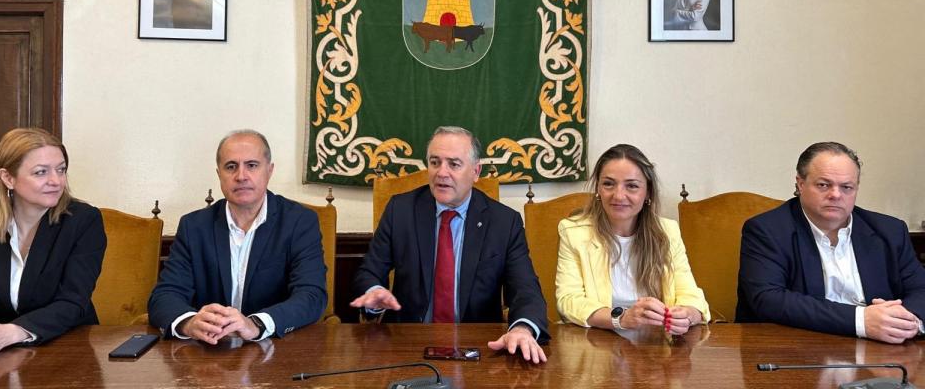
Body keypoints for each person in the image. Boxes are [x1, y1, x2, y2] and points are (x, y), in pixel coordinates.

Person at [350, 126, 549, 364]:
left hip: (478, 348)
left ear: (476, 172)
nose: (441, 173)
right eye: (435, 162)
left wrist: (522, 329)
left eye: (454, 164)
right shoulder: (400, 210)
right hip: (407, 346)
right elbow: (369, 272)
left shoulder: (504, 222)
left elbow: (526, 290)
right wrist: (373, 292)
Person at [0, 128, 107, 362]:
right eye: (41, 172)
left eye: (61, 170)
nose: (56, 181)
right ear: (8, 178)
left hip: (66, 351)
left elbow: (72, 302)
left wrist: (10, 333)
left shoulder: (83, 220)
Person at [148, 129, 326, 343]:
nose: (241, 176)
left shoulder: (299, 222)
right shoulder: (194, 226)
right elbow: (165, 295)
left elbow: (311, 295)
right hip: (209, 354)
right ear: (219, 174)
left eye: (252, 165)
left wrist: (256, 324)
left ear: (269, 171)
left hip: (276, 351)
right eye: (231, 166)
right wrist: (190, 323)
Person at [737, 142, 925, 343]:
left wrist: (905, 321)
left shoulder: (890, 230)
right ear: (800, 184)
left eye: (846, 187)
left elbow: (920, 289)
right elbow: (768, 299)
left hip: (883, 348)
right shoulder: (767, 230)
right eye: (823, 185)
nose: (836, 194)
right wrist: (861, 320)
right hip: (799, 347)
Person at [555, 144, 709, 333]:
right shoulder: (573, 232)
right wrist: (622, 318)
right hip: (599, 343)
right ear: (598, 189)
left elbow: (691, 295)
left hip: (657, 347)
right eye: (608, 184)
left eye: (632, 186)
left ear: (648, 193)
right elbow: (569, 301)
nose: (618, 195)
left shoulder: (668, 232)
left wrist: (687, 315)